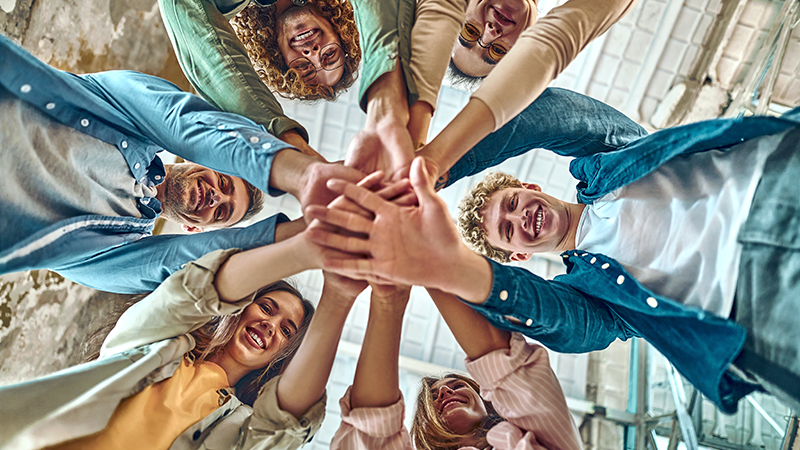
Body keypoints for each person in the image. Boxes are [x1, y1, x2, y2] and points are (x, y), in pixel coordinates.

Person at [304, 102, 800, 415]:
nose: (522, 218)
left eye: (515, 203)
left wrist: (430, 174)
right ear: (518, 252)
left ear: (532, 188)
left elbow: (542, 116)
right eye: (508, 230)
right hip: (755, 310)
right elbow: (561, 325)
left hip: (772, 182)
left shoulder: (610, 158)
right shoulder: (593, 298)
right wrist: (444, 265)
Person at [0, 34, 365, 293]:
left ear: (194, 228)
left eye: (222, 213)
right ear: (203, 160)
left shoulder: (117, 255)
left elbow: (178, 263)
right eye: (224, 183)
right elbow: (181, 121)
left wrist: (309, 235)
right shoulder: (125, 116)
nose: (216, 198)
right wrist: (304, 176)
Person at [0, 216, 367, 449]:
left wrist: (339, 293)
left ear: (282, 356)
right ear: (242, 308)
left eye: (286, 331)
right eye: (266, 308)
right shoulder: (162, 343)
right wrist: (308, 247)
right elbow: (192, 294)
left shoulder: (239, 427)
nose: (269, 326)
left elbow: (283, 423)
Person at [328, 278, 581, 449]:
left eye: (457, 385)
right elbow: (370, 435)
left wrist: (424, 270)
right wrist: (388, 299)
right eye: (434, 397)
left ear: (487, 401)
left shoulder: (532, 438)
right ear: (423, 426)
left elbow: (513, 374)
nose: (447, 391)